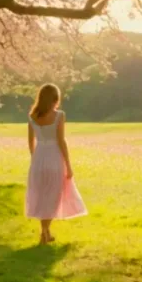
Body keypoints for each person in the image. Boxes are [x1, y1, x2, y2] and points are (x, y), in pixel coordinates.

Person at [25, 83, 87, 244]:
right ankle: (45, 231)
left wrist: (35, 158)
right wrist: (68, 164)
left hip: (39, 157)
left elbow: (30, 141)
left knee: (42, 195)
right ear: (54, 99)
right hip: (54, 157)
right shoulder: (59, 115)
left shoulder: (32, 116)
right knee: (52, 196)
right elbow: (61, 141)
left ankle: (45, 232)